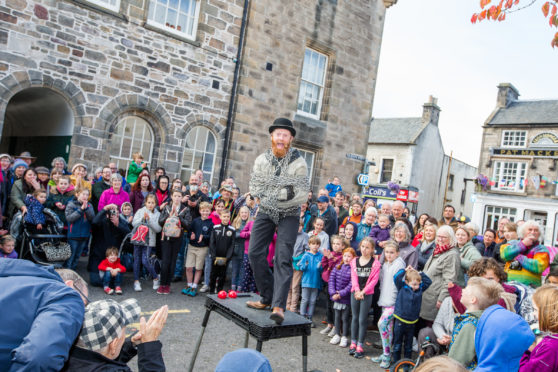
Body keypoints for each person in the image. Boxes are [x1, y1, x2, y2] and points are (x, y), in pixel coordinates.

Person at [0, 259, 84, 371]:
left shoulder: (11, 273)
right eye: (84, 304)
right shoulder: (65, 295)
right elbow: (40, 356)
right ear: (70, 284)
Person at [63, 299, 168, 372]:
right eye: (124, 331)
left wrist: (131, 344)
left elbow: (101, 358)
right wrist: (149, 348)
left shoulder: (64, 358)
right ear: (114, 344)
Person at [448, 277, 502, 369]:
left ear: (473, 300)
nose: (462, 290)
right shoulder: (483, 319)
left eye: (466, 289)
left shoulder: (469, 325)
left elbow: (457, 360)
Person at [371, 240, 406, 369]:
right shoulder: (386, 264)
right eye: (387, 252)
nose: (389, 255)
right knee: (389, 329)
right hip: (385, 299)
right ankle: (386, 353)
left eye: (392, 252)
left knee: (382, 323)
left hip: (394, 302)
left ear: (397, 253)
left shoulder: (399, 265)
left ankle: (386, 354)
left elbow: (399, 284)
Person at [420, 225, 462, 324]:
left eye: (443, 237)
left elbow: (449, 280)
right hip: (427, 296)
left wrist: (441, 299)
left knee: (429, 329)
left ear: (451, 238)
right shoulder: (439, 250)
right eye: (438, 236)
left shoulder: (452, 255)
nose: (440, 239)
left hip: (435, 299)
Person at [349, 237, 381, 359]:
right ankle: (353, 342)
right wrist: (357, 290)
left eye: (367, 247)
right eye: (363, 246)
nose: (364, 249)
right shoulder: (354, 261)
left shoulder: (375, 263)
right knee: (355, 317)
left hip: (367, 294)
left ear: (372, 249)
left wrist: (363, 292)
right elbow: (353, 277)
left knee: (363, 319)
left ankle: (360, 345)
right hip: (355, 292)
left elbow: (374, 281)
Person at [392, 267, 432, 365]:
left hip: (412, 322)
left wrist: (419, 273)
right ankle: (396, 363)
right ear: (406, 282)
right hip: (400, 321)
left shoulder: (420, 289)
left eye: (418, 284)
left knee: (408, 346)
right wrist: (404, 270)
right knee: (397, 344)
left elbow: (428, 281)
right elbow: (396, 277)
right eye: (414, 284)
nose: (416, 286)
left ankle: (406, 364)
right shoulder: (402, 287)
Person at [88, 204, 131, 287]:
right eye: (112, 212)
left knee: (114, 283)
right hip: (99, 257)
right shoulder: (102, 221)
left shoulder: (121, 222)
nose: (114, 214)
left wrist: (118, 225)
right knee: (95, 281)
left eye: (116, 212)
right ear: (107, 214)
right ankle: (105, 281)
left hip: (113, 259)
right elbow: (94, 222)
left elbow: (129, 235)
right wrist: (104, 209)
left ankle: (108, 282)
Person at [158, 188, 191, 294]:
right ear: (172, 196)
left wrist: (179, 217)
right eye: (175, 196)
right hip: (166, 238)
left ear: (182, 198)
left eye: (179, 196)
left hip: (178, 238)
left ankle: (167, 285)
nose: (177, 198)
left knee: (173, 261)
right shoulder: (167, 207)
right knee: (165, 261)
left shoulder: (185, 209)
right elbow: (160, 222)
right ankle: (162, 284)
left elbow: (188, 224)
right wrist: (169, 215)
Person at [519, 284, 558, 371]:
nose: (533, 314)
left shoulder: (549, 348)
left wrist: (527, 351)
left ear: (548, 313)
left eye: (535, 310)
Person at [500, 220, 550, 287]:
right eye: (530, 229)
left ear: (539, 234)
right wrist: (522, 244)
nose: (533, 232)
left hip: (531, 288)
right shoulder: (513, 243)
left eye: (536, 230)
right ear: (523, 232)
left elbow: (538, 267)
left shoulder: (542, 249)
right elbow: (504, 255)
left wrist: (519, 257)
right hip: (509, 285)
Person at [131, 194, 161, 292]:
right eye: (149, 202)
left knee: (145, 260)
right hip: (138, 239)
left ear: (155, 204)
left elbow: (158, 229)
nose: (150, 205)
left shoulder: (157, 214)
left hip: (149, 241)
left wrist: (149, 220)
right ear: (145, 203)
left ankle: (155, 277)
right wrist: (142, 219)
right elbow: (134, 223)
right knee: (137, 260)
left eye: (152, 203)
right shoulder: (140, 211)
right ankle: (136, 281)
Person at [327, 247, 355, 347]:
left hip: (345, 299)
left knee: (345, 318)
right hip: (336, 297)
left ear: (353, 258)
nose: (347, 258)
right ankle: (337, 334)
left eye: (349, 256)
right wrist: (333, 293)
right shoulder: (338, 266)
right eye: (345, 256)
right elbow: (331, 280)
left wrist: (341, 294)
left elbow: (352, 284)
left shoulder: (353, 269)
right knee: (337, 317)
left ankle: (344, 337)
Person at [184, 202, 213, 296]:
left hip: (202, 248)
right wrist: (190, 235)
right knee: (188, 267)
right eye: (203, 210)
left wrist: (203, 237)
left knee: (198, 268)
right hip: (192, 246)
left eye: (207, 211)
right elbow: (189, 232)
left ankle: (194, 287)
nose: (205, 212)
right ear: (200, 211)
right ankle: (189, 285)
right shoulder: (195, 221)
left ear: (210, 212)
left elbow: (211, 236)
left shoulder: (211, 223)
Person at [319, 235, 346, 336]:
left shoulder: (342, 256)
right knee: (328, 305)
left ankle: (336, 326)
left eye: (338, 244)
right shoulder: (331, 253)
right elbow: (324, 265)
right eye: (334, 243)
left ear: (343, 246)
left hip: (336, 284)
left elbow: (335, 267)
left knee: (334, 305)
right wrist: (326, 257)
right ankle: (329, 324)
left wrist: (330, 259)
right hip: (328, 282)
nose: (335, 246)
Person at [65, 188, 95, 270]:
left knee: (78, 256)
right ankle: (68, 271)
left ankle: (73, 270)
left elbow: (92, 218)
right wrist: (81, 210)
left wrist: (86, 209)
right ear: (77, 194)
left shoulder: (90, 205)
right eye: (83, 194)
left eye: (87, 195)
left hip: (84, 235)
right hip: (73, 235)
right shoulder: (71, 204)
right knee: (71, 255)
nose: (85, 196)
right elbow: (70, 218)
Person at [298, 235, 324, 326]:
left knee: (313, 301)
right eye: (313, 244)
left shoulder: (320, 256)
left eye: (317, 244)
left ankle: (310, 317)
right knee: (304, 299)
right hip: (306, 281)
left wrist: (320, 267)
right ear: (309, 245)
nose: (315, 246)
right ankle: (301, 317)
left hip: (316, 282)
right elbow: (301, 267)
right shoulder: (306, 255)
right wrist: (304, 265)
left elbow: (322, 270)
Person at [209, 209, 235, 293]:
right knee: (213, 274)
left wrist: (228, 257)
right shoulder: (215, 227)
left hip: (225, 257)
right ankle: (211, 291)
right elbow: (212, 242)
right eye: (224, 216)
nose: (226, 218)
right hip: (215, 256)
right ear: (220, 217)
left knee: (222, 275)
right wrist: (213, 256)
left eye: (228, 217)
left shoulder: (232, 229)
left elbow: (232, 244)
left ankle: (220, 290)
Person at [286, 220, 309, 312]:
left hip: (298, 265)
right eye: (297, 225)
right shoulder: (291, 234)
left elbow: (307, 251)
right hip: (289, 263)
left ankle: (293, 307)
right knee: (288, 286)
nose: (298, 227)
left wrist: (297, 258)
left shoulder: (305, 236)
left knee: (295, 286)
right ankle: (287, 304)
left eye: (300, 225)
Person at [231, 206, 251, 292]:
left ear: (248, 214)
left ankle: (240, 288)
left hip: (246, 249)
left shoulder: (250, 223)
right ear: (239, 213)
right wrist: (246, 234)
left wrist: (242, 234)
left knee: (243, 270)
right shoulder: (235, 222)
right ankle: (233, 287)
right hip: (236, 249)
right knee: (235, 269)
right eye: (242, 212)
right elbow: (233, 235)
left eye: (245, 212)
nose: (244, 214)